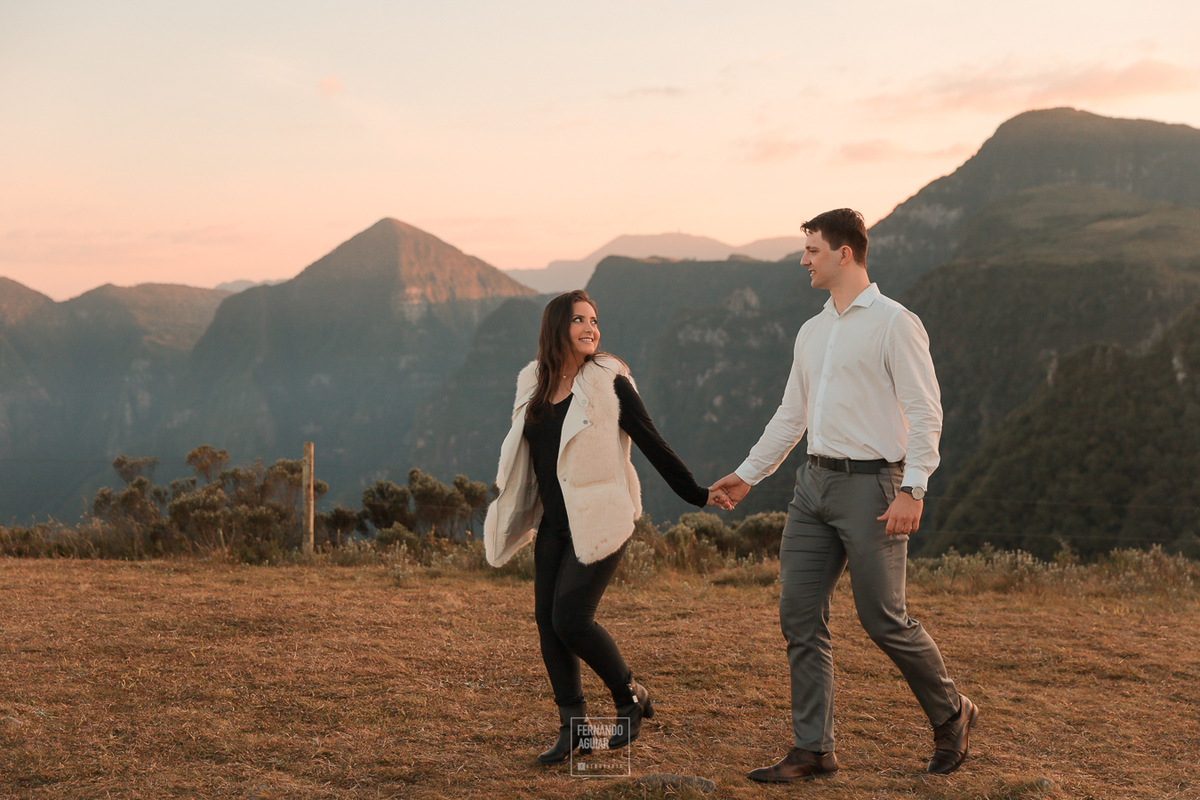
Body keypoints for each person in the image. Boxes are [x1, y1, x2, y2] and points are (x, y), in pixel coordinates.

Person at [712, 209, 978, 781]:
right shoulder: (813, 331)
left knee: (883, 618)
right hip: (813, 486)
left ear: (845, 254)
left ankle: (952, 713)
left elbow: (925, 412)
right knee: (799, 616)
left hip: (875, 486)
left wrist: (914, 488)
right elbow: (792, 415)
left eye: (812, 249)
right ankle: (814, 749)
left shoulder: (894, 323)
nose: (803, 260)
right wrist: (748, 474)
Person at [484, 289, 731, 765]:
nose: (591, 328)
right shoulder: (533, 382)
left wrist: (698, 494)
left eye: (594, 320)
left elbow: (653, 443)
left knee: (571, 619)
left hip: (600, 519)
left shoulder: (610, 382)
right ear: (558, 327)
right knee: (547, 625)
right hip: (553, 525)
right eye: (579, 320)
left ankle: (629, 695)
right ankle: (574, 729)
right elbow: (523, 456)